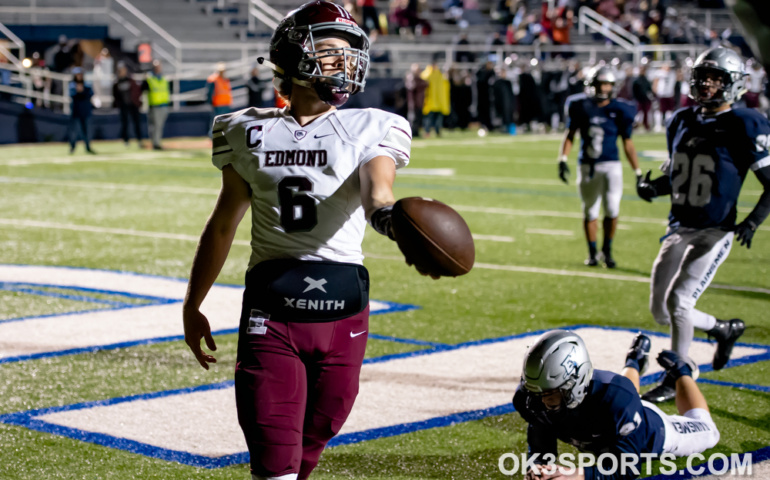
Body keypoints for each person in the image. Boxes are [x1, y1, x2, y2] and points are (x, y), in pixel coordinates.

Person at [182, 2, 416, 479]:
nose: (344, 61)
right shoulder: (245, 129)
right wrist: (193, 302)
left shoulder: (371, 126)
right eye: (330, 50)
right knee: (274, 459)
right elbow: (224, 222)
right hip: (273, 312)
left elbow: (379, 193)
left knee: (317, 437)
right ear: (293, 55)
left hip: (344, 315)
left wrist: (393, 221)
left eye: (350, 52)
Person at [636, 47, 770, 403]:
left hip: (716, 229)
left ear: (733, 84)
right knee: (660, 311)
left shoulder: (746, 122)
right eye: (704, 77)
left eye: (717, 78)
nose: (708, 84)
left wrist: (753, 221)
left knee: (679, 302)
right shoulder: (680, 119)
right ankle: (723, 329)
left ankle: (678, 376)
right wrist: (654, 187)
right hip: (679, 225)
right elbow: (683, 175)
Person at [514, 330, 720, 480]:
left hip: (651, 432)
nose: (540, 400)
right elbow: (541, 443)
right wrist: (540, 468)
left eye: (549, 393)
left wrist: (577, 475)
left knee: (710, 433)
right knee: (621, 397)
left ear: (574, 384)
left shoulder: (617, 401)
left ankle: (681, 371)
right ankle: (634, 360)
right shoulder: (530, 398)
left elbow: (626, 468)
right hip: (611, 417)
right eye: (535, 392)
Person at [558, 66, 641, 268]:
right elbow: (570, 134)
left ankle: (608, 251)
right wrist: (562, 158)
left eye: (607, 84)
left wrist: (637, 171)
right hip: (587, 165)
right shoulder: (580, 105)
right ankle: (593, 253)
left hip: (612, 165)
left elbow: (627, 142)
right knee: (589, 211)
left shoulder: (621, 109)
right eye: (599, 84)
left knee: (612, 209)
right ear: (591, 85)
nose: (603, 88)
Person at [142, 59, 170, 150]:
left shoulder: (163, 78)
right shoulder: (149, 78)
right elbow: (143, 89)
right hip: (154, 105)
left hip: (164, 105)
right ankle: (156, 143)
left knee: (159, 126)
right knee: (155, 126)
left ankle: (156, 142)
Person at [113, 63, 143, 146]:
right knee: (125, 123)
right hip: (123, 106)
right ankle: (126, 140)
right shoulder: (117, 82)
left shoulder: (131, 80)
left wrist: (137, 102)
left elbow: (137, 91)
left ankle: (139, 139)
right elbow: (115, 95)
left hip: (133, 104)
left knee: (136, 122)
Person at [68, 68, 96, 154]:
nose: (79, 76)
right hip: (76, 111)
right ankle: (72, 147)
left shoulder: (87, 85)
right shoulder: (72, 85)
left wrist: (82, 91)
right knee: (74, 131)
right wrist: (78, 91)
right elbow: (72, 94)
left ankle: (88, 147)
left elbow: (90, 94)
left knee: (86, 130)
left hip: (85, 110)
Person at [207, 62, 233, 136]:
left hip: (226, 104)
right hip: (217, 105)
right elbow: (209, 93)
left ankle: (222, 137)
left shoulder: (225, 79)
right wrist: (211, 102)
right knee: (215, 122)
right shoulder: (213, 79)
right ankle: (212, 137)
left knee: (224, 123)